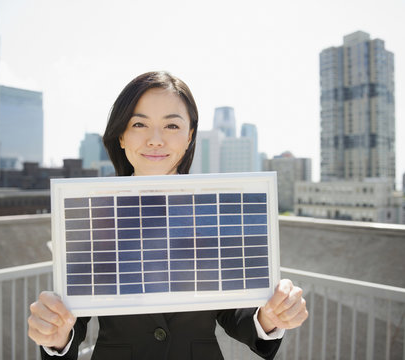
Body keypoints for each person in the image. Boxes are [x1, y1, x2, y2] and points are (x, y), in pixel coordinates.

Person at [28, 71, 308, 360]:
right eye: (139, 124)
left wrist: (270, 317)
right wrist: (56, 336)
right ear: (121, 136)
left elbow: (233, 311)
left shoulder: (213, 212)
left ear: (189, 137)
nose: (155, 140)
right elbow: (75, 321)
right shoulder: (93, 217)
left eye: (172, 125)